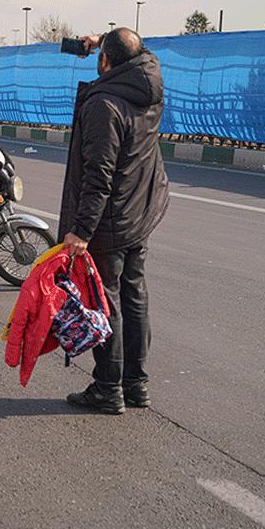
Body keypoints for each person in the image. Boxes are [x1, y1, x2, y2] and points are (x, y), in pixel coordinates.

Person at [60, 27, 170, 415]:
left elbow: (98, 176)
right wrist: (107, 41)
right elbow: (142, 54)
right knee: (134, 296)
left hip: (109, 220)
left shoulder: (103, 104)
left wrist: (82, 231)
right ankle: (137, 385)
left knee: (107, 302)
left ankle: (109, 387)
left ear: (105, 61)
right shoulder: (150, 88)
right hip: (140, 213)